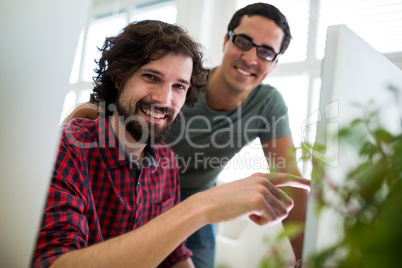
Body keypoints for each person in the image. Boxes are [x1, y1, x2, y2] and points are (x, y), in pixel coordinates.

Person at [33, 20, 310, 268]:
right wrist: (201, 208)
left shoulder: (165, 162)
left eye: (179, 86)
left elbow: (175, 255)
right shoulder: (69, 151)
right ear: (118, 76)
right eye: (151, 77)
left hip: (189, 195)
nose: (164, 98)